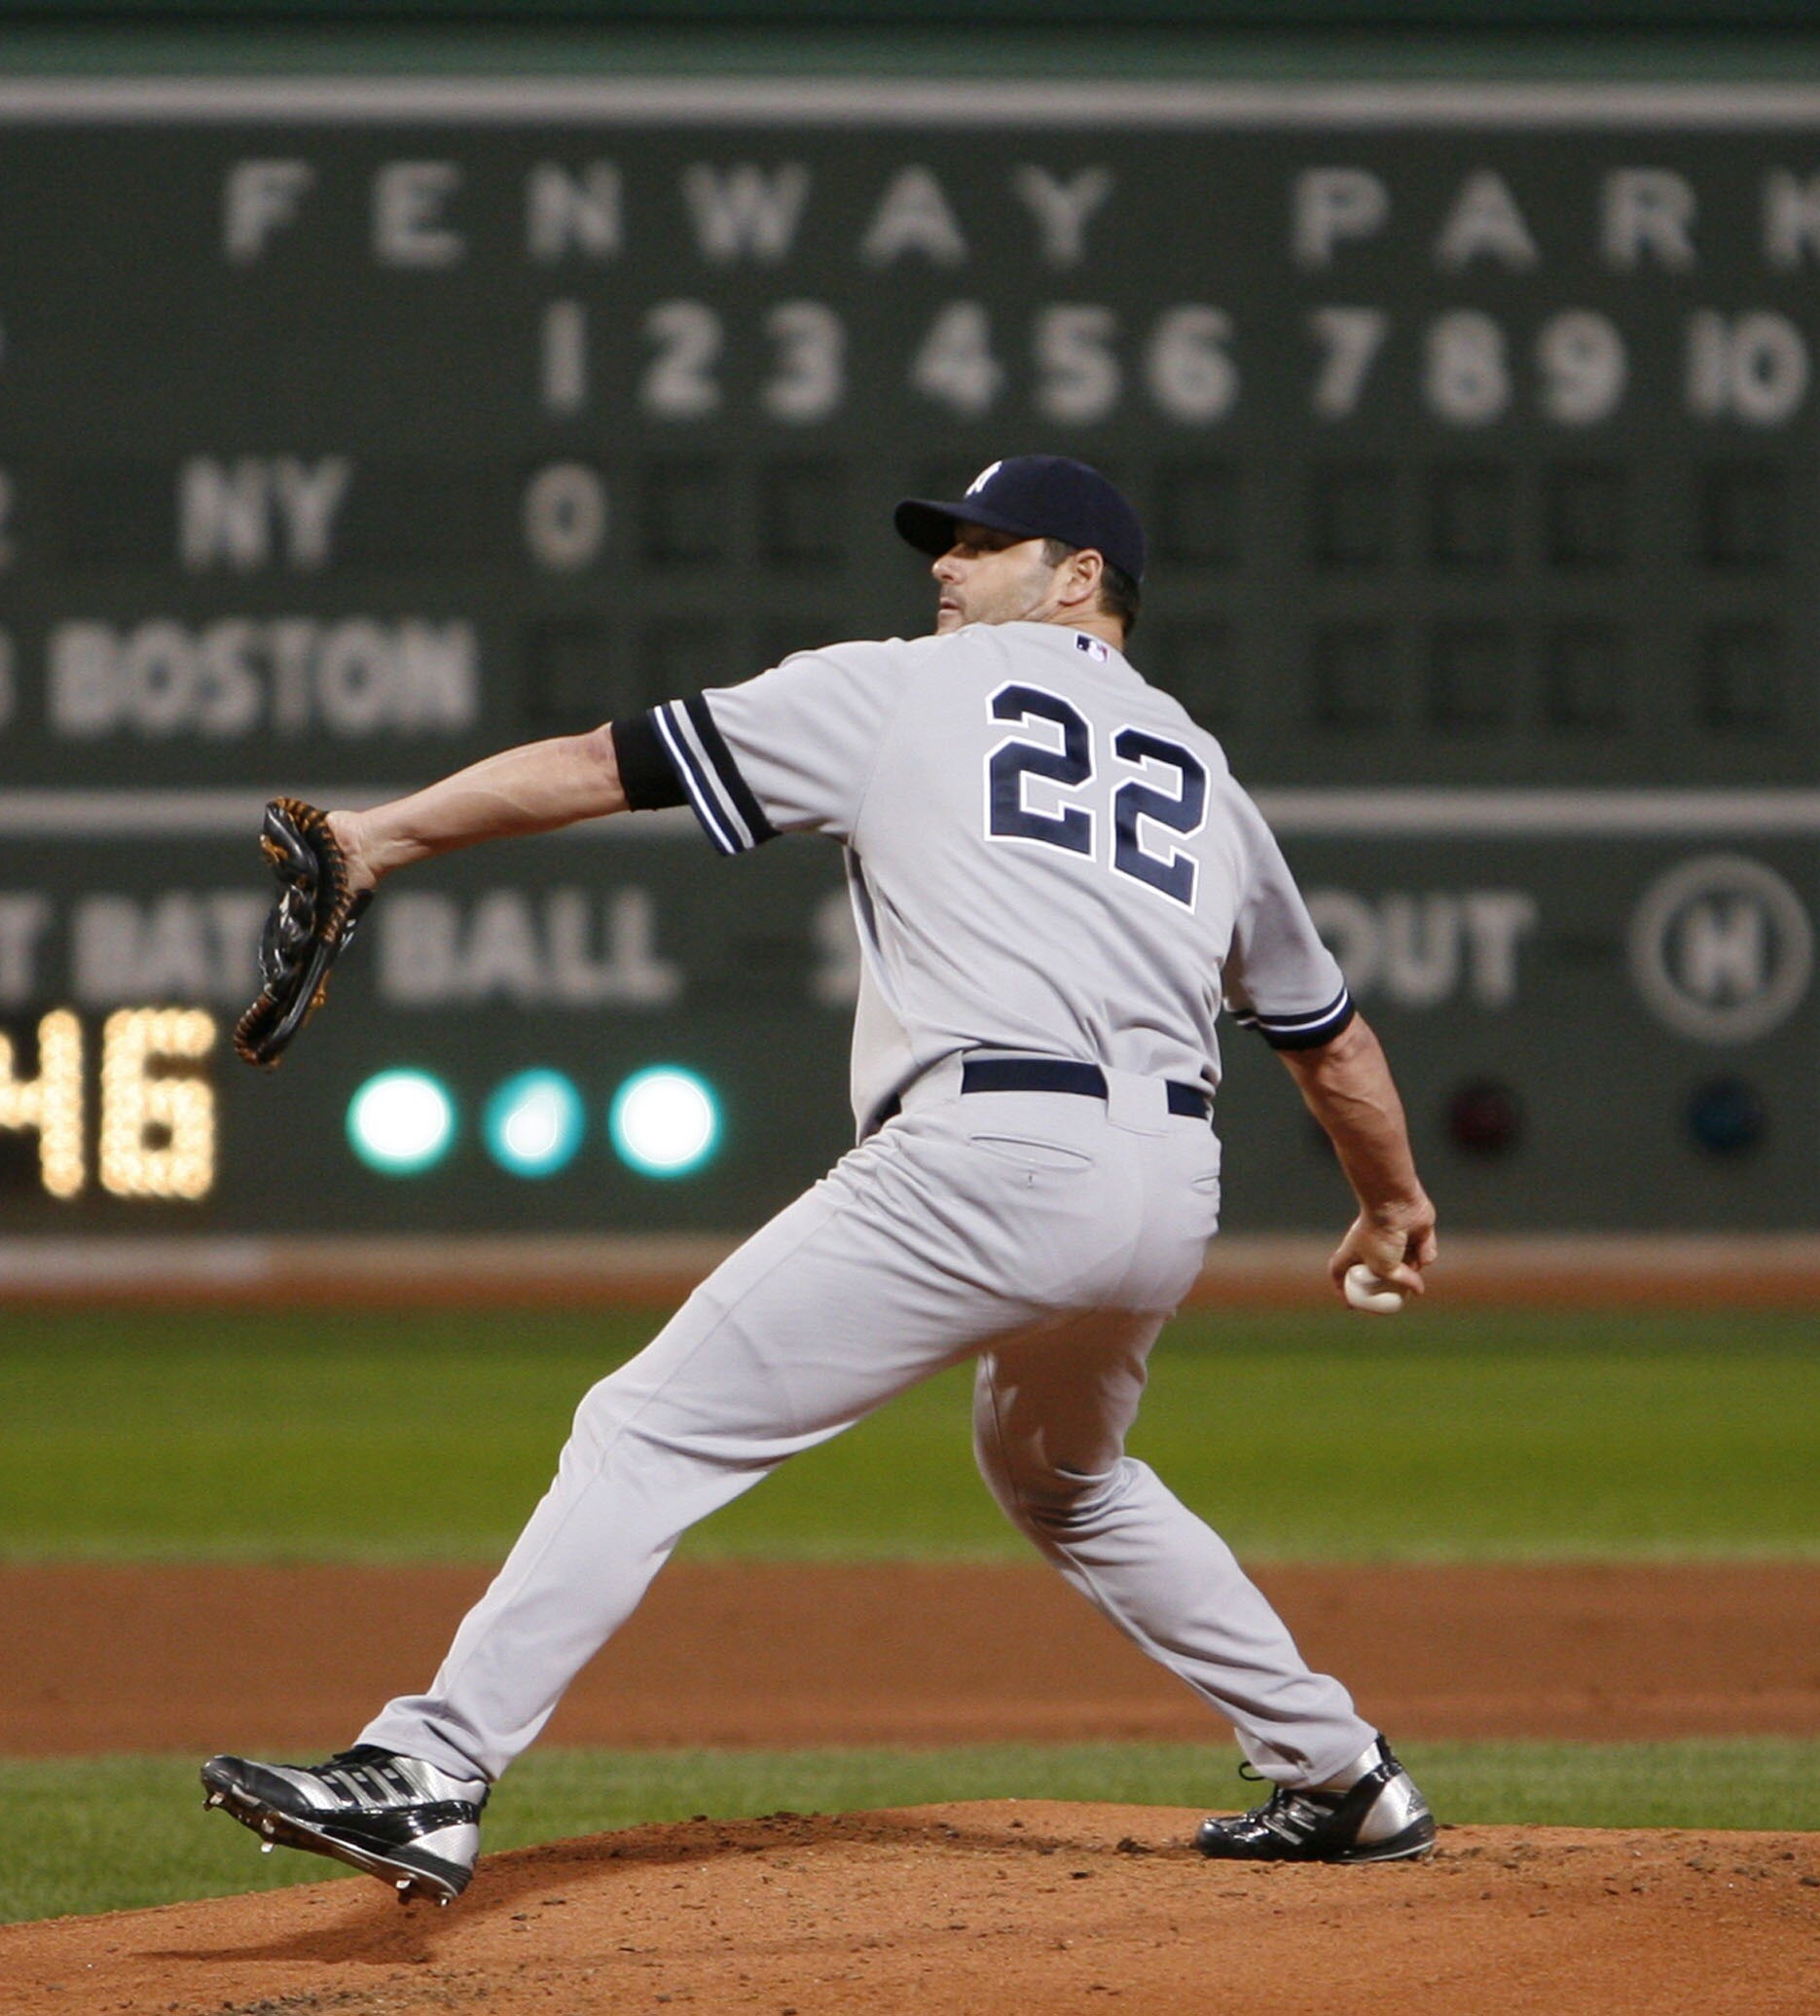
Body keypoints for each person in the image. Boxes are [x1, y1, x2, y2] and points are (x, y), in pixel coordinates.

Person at [200, 455, 1443, 1903]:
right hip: (1170, 1184)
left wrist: (380, 836)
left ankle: (429, 1770)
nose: (946, 567)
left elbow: (611, 766)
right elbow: (1326, 1035)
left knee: (647, 1428)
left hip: (985, 1155)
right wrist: (1393, 1200)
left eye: (983, 545)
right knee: (1064, 1475)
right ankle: (1341, 1775)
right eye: (946, 546)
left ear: (1080, 576)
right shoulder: (1203, 775)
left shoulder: (905, 688)